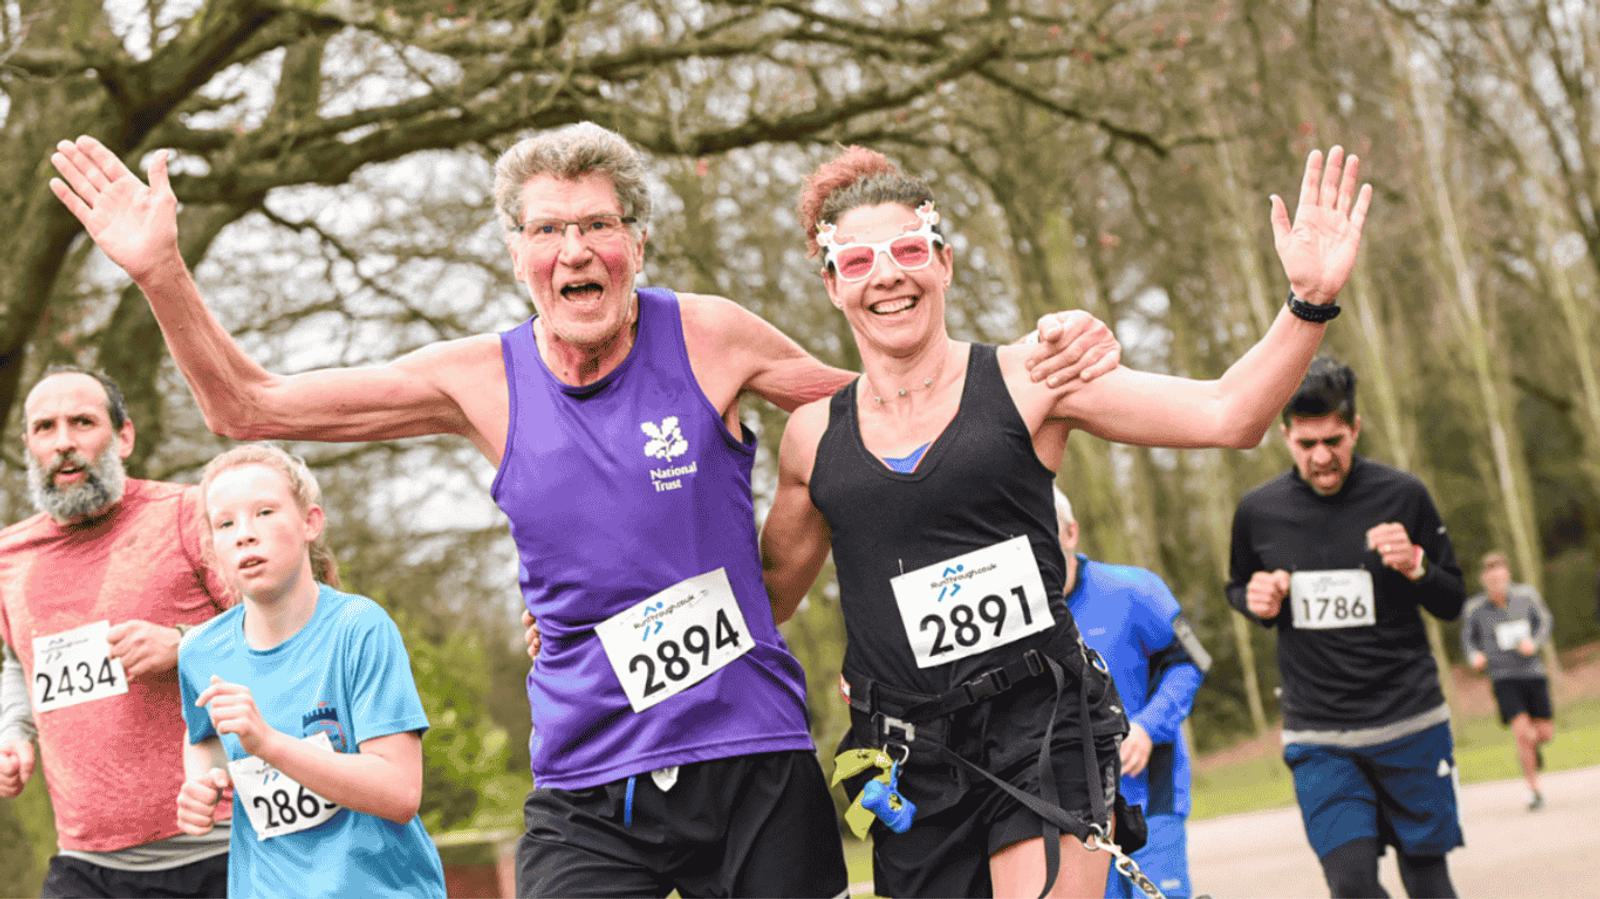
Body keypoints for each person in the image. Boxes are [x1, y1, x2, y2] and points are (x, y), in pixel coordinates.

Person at [46, 123, 1118, 898]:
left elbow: (888, 398)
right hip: (590, 771)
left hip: (748, 749)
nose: (575, 252)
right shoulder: (480, 377)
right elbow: (250, 403)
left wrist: (1031, 373)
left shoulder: (710, 335)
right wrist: (164, 272)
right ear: (516, 251)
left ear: (637, 243)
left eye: (598, 225)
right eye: (548, 229)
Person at [760, 143, 1368, 898]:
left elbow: (1229, 413)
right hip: (909, 752)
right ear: (831, 284)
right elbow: (768, 599)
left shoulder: (1030, 378)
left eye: (909, 250)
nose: (887, 274)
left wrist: (1307, 301)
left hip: (1040, 722)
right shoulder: (812, 437)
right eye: (857, 261)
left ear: (944, 263)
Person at [1226, 357, 1467, 899]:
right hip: (1320, 736)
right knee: (1351, 884)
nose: (1322, 457)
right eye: (1306, 444)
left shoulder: (1403, 495)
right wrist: (1255, 600)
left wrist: (1418, 567)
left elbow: (1452, 601)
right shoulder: (1258, 512)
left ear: (1354, 428)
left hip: (1410, 723)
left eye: (1334, 440)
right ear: (1285, 435)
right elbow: (1239, 586)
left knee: (1429, 881)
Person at [0, 367, 233, 898]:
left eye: (82, 422)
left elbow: (283, 631)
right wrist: (12, 734)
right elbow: (19, 659)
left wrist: (182, 644)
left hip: (218, 846)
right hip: (86, 861)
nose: (64, 444)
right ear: (28, 446)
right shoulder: (8, 554)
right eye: (45, 428)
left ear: (123, 436)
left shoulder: (191, 514)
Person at [175, 443, 446, 897]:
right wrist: (201, 785)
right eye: (226, 523)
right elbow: (204, 738)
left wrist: (270, 744)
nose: (245, 534)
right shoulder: (200, 650)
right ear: (212, 549)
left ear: (310, 522)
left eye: (264, 512)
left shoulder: (359, 628)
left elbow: (399, 793)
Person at [1056, 489, 1209, 899]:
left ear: (1070, 532)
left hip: (1149, 796)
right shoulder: (1019, 620)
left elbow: (1191, 662)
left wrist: (1148, 726)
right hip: (1072, 815)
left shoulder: (1134, 590)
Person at [1460, 550, 1554, 810]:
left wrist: (1534, 643)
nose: (1495, 583)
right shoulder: (1475, 608)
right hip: (1503, 677)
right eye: (1490, 578)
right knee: (1522, 732)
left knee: (1544, 733)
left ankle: (1532, 751)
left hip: (1533, 672)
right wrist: (1474, 657)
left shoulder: (1527, 597)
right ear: (1484, 580)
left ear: (1507, 575)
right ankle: (1534, 790)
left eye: (1499, 576)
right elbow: (1468, 640)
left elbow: (1544, 621)